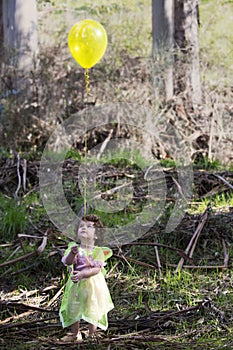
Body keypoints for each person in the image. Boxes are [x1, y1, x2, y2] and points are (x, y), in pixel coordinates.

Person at [59, 214, 114, 342]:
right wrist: (72, 254)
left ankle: (92, 333)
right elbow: (67, 262)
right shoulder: (74, 247)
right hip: (76, 284)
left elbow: (97, 269)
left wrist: (83, 274)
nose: (84, 228)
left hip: (93, 285)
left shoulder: (98, 251)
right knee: (73, 306)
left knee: (92, 306)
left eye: (89, 227)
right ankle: (74, 334)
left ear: (96, 235)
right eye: (81, 226)